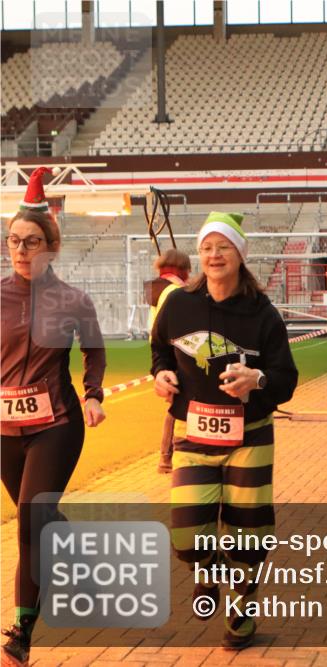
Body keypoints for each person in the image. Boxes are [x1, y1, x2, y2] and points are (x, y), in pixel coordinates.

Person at [151, 212, 298, 651]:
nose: (214, 255)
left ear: (240, 254)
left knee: (249, 535)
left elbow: (286, 379)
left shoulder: (262, 313)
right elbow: (159, 349)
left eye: (224, 247)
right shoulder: (178, 303)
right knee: (186, 538)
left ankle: (243, 612)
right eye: (207, 248)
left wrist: (258, 381)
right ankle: (211, 572)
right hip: (193, 435)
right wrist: (160, 375)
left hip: (249, 436)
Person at [2, 167, 107, 666]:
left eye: (32, 241)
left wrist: (92, 394)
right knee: (41, 522)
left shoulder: (73, 300)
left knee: (30, 522)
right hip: (4, 430)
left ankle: (21, 628)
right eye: (13, 240)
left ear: (51, 245)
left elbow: (94, 350)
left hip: (55, 426)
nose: (21, 249)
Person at [145, 248, 191, 474]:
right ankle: (166, 457)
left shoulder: (156, 287)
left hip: (161, 349)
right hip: (175, 350)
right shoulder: (176, 290)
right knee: (176, 406)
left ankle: (166, 457)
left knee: (174, 404)